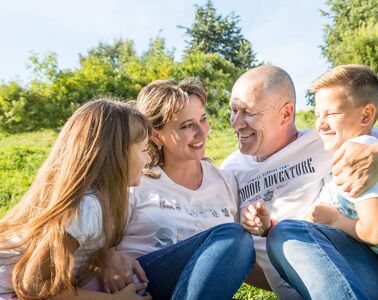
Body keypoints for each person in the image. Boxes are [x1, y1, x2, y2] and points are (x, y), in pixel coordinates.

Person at [221, 64, 378, 299]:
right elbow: (231, 255)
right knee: (283, 232)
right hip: (330, 284)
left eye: (249, 112)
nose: (236, 122)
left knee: (287, 232)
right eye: (233, 111)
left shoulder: (332, 139)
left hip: (374, 272)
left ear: (286, 113)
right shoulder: (230, 171)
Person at [98, 78, 255, 300]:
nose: (202, 132)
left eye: (203, 119)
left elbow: (236, 257)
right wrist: (105, 256)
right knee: (233, 236)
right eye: (186, 125)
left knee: (237, 239)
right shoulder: (135, 181)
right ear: (155, 135)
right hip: (141, 285)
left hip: (203, 290)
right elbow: (87, 241)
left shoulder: (225, 181)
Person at [0, 99, 152, 299]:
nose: (148, 159)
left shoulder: (101, 200)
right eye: (143, 150)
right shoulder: (86, 208)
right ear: (116, 156)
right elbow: (34, 286)